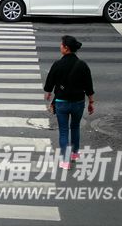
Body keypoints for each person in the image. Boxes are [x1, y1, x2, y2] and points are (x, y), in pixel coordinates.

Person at [43, 35, 95, 170]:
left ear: (66, 48)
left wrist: (48, 93)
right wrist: (91, 102)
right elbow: (88, 86)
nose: (60, 46)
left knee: (64, 131)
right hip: (78, 102)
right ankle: (74, 154)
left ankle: (65, 161)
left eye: (61, 45)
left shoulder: (57, 64)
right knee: (75, 127)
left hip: (61, 103)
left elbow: (50, 83)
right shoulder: (82, 65)